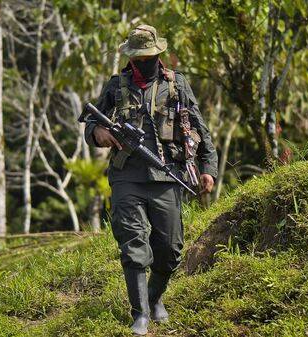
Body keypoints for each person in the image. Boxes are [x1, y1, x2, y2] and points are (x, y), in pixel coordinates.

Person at [84, 25, 218, 335]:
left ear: (157, 53)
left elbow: (199, 126)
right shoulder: (116, 85)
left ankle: (155, 298)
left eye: (150, 55)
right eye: (139, 56)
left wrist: (207, 167)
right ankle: (140, 313)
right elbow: (93, 120)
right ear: (130, 57)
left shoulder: (176, 84)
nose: (144, 61)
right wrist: (97, 132)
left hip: (167, 173)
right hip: (126, 175)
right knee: (133, 245)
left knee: (170, 248)